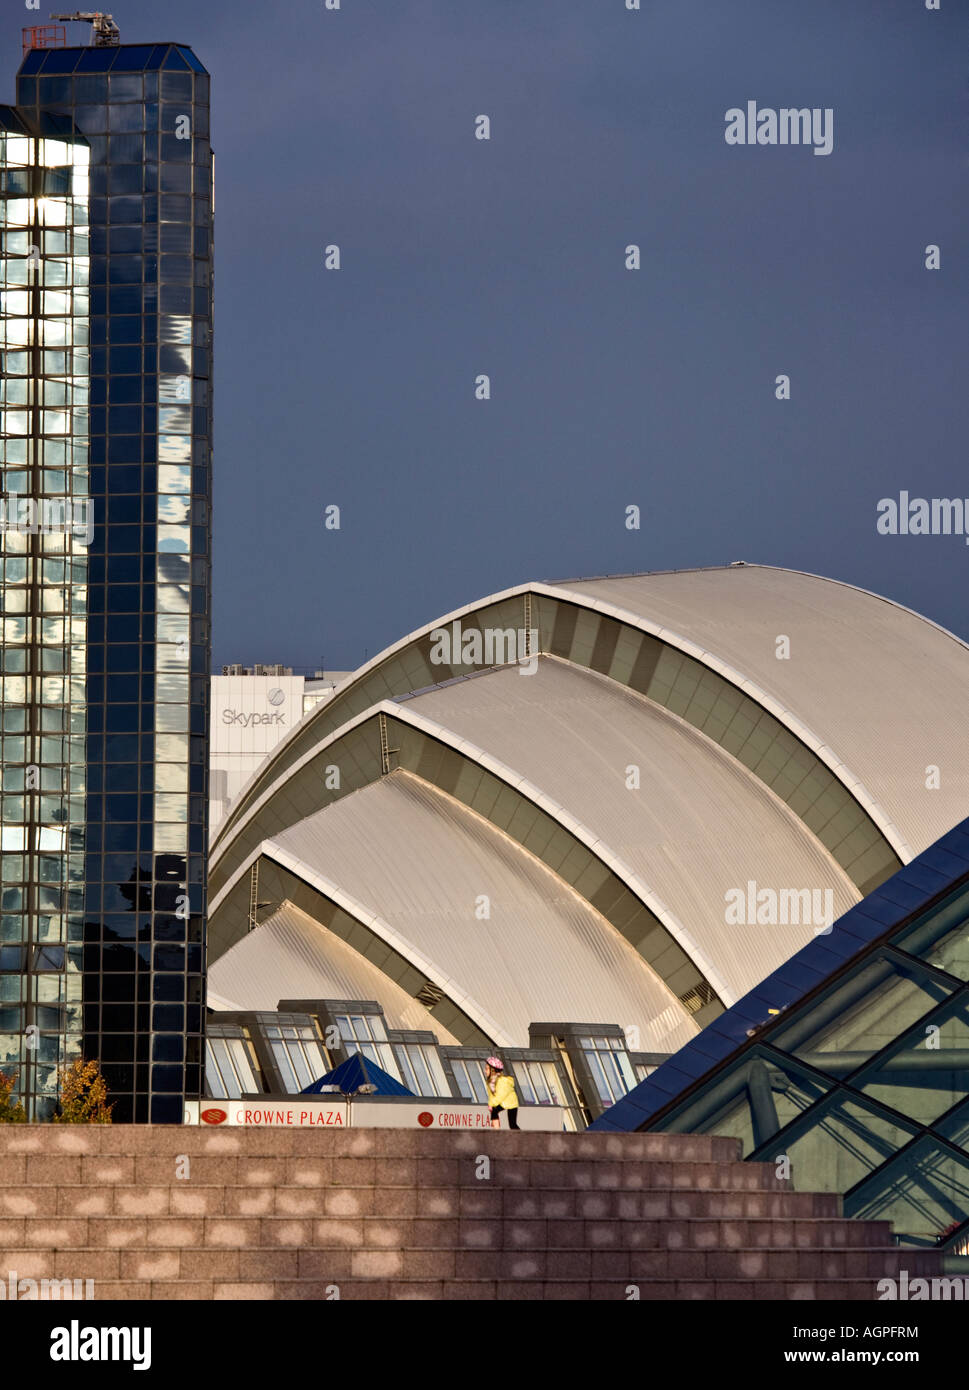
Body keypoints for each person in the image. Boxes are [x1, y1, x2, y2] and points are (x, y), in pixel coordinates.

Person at [484, 1056, 519, 1130]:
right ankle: (497, 1131)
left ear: (492, 1070)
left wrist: (491, 1104)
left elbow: (500, 1096)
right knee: (494, 1111)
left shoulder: (502, 1081)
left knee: (512, 1124)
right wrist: (490, 1104)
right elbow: (491, 1095)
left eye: (487, 1069)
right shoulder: (490, 1081)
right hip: (501, 1102)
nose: (485, 1071)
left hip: (511, 1103)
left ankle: (522, 1137)